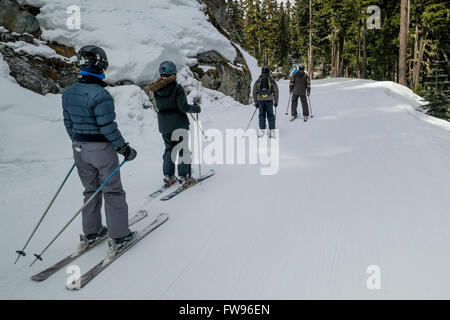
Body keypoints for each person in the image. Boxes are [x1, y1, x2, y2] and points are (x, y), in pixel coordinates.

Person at [62, 45, 137, 254]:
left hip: (78, 148)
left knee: (90, 190)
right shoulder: (101, 95)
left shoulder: (69, 93)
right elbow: (108, 127)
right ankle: (120, 236)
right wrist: (123, 148)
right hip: (101, 149)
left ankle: (92, 232)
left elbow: (68, 123)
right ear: (100, 64)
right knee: (112, 191)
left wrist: (79, 143)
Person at [146, 61, 201, 187]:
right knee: (182, 149)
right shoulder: (177, 88)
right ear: (173, 72)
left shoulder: (156, 88)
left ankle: (169, 176)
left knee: (169, 149)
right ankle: (185, 176)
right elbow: (183, 107)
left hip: (164, 124)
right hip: (178, 122)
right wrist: (196, 108)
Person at [252, 66, 279, 138]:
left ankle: (262, 131)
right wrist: (276, 101)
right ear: (268, 72)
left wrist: (256, 102)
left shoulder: (258, 81)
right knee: (270, 115)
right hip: (269, 100)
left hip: (260, 101)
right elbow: (276, 91)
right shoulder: (271, 80)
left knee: (262, 115)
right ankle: (272, 131)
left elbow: (254, 92)